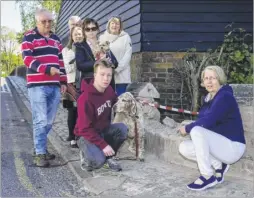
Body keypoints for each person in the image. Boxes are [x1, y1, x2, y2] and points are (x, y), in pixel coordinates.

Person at [178, 65, 246, 191]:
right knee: (184, 147)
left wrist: (188, 128)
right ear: (203, 82)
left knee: (196, 130)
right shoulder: (208, 99)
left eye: (213, 78)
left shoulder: (224, 96)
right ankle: (218, 164)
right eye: (206, 78)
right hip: (219, 146)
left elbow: (208, 121)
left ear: (219, 79)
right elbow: (203, 120)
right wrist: (191, 125)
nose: (209, 81)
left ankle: (207, 176)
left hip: (233, 146)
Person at [21, 8, 67, 167]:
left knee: (49, 121)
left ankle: (39, 147)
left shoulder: (56, 39)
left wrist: (63, 81)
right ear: (37, 22)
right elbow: (27, 59)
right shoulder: (29, 37)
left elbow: (60, 62)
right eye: (43, 21)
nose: (47, 24)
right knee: (40, 120)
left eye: (50, 21)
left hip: (54, 85)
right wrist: (47, 70)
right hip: (37, 85)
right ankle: (40, 152)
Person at [74, 59, 128, 172]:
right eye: (102, 74)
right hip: (85, 135)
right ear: (95, 75)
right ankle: (86, 158)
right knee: (97, 162)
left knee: (122, 129)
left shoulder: (108, 90)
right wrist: (103, 145)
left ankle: (109, 157)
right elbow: (84, 129)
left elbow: (116, 102)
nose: (106, 78)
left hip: (103, 130)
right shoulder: (85, 98)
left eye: (109, 75)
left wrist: (135, 101)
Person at [75, 18, 118, 91]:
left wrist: (107, 59)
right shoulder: (80, 46)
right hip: (90, 84)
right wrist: (99, 62)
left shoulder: (103, 43)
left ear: (97, 29)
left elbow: (115, 63)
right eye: (87, 29)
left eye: (93, 28)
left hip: (107, 85)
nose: (91, 31)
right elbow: (80, 65)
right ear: (84, 31)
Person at [62, 26, 84, 147]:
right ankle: (72, 137)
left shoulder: (86, 47)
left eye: (80, 33)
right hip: (71, 83)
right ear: (72, 36)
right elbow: (66, 68)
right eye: (75, 34)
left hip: (84, 83)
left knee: (82, 112)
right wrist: (76, 60)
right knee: (72, 111)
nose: (78, 36)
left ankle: (81, 135)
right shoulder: (66, 50)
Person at [99, 16, 132, 96]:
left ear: (120, 26)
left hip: (121, 76)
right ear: (109, 25)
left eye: (117, 24)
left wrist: (117, 69)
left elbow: (127, 55)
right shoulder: (102, 37)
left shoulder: (126, 37)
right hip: (106, 76)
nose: (114, 25)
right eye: (112, 23)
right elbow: (99, 55)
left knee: (119, 101)